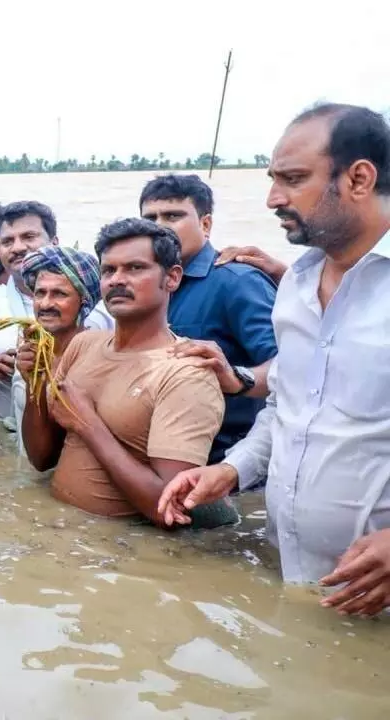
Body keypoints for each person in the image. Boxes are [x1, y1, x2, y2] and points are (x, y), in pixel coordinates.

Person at [159, 104, 390, 615]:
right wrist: (231, 470)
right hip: (300, 582)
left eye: (293, 179)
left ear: (359, 177)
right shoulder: (297, 285)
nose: (272, 198)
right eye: (273, 179)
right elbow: (288, 410)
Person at [21, 219, 235, 529]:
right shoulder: (84, 345)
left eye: (134, 268)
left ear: (172, 278)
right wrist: (35, 383)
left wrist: (88, 424)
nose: (117, 280)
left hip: (120, 552)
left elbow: (170, 509)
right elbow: (42, 459)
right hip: (61, 535)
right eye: (108, 271)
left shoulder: (186, 371)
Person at [140, 174, 278, 464]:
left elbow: (292, 369)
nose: (160, 226)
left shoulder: (237, 282)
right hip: (160, 452)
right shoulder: (145, 285)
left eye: (173, 215)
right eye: (150, 218)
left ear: (206, 224)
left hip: (227, 462)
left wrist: (236, 377)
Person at [0, 201, 113, 425]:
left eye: (28, 236)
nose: (17, 247)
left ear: (54, 241)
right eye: (7, 241)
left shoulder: (99, 304)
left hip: (85, 426)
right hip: (7, 431)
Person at [10, 246, 101, 453]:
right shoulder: (28, 354)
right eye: (40, 293)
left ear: (84, 301)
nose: (45, 304)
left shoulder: (94, 358)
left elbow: (44, 457)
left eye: (59, 294)